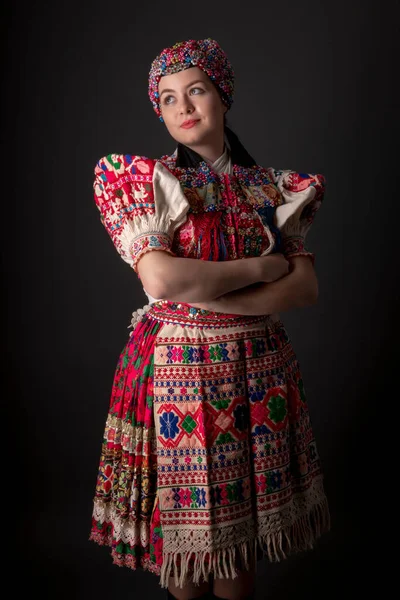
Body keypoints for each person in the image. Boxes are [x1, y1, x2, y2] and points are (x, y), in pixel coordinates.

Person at [89, 38, 330, 600]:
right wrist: (263, 267)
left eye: (195, 90)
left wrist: (211, 296)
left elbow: (304, 289)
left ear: (222, 96)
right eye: (168, 99)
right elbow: (161, 282)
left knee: (236, 550)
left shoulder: (273, 188)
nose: (184, 107)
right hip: (176, 367)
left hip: (257, 370)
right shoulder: (150, 183)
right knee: (187, 548)